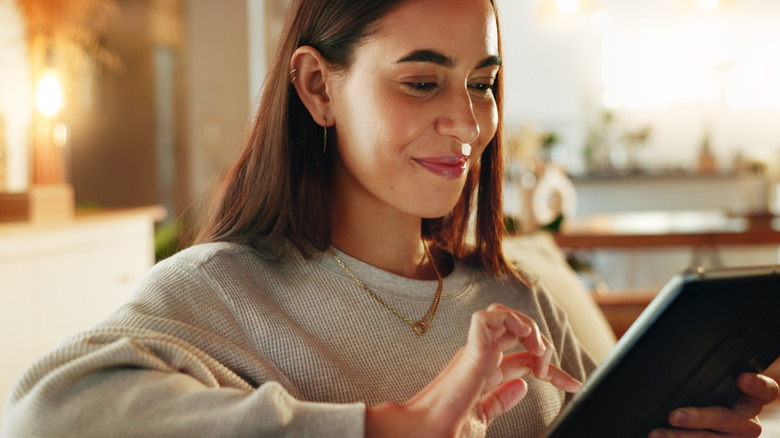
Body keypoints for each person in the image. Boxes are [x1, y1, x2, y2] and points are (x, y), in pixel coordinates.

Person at [2, 0, 777, 437]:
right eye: (420, 84)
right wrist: (388, 428)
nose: (471, 124)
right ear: (317, 89)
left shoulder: (516, 294)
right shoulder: (224, 293)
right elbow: (43, 416)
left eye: (483, 83)